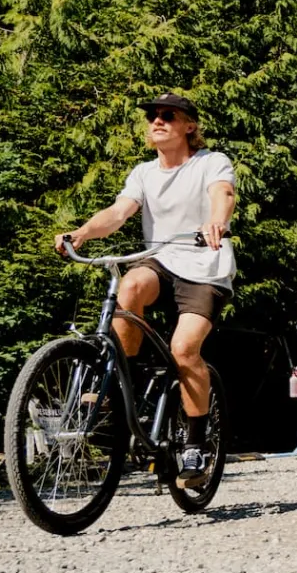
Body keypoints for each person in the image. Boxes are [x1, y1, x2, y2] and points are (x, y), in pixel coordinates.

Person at [55, 93, 236, 487]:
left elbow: (222, 194)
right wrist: (82, 232)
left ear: (190, 125)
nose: (157, 121)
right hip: (162, 260)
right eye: (153, 116)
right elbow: (119, 213)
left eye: (168, 115)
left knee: (184, 350)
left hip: (205, 267)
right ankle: (121, 387)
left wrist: (217, 223)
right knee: (132, 282)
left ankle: (194, 444)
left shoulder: (211, 162)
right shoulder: (143, 173)